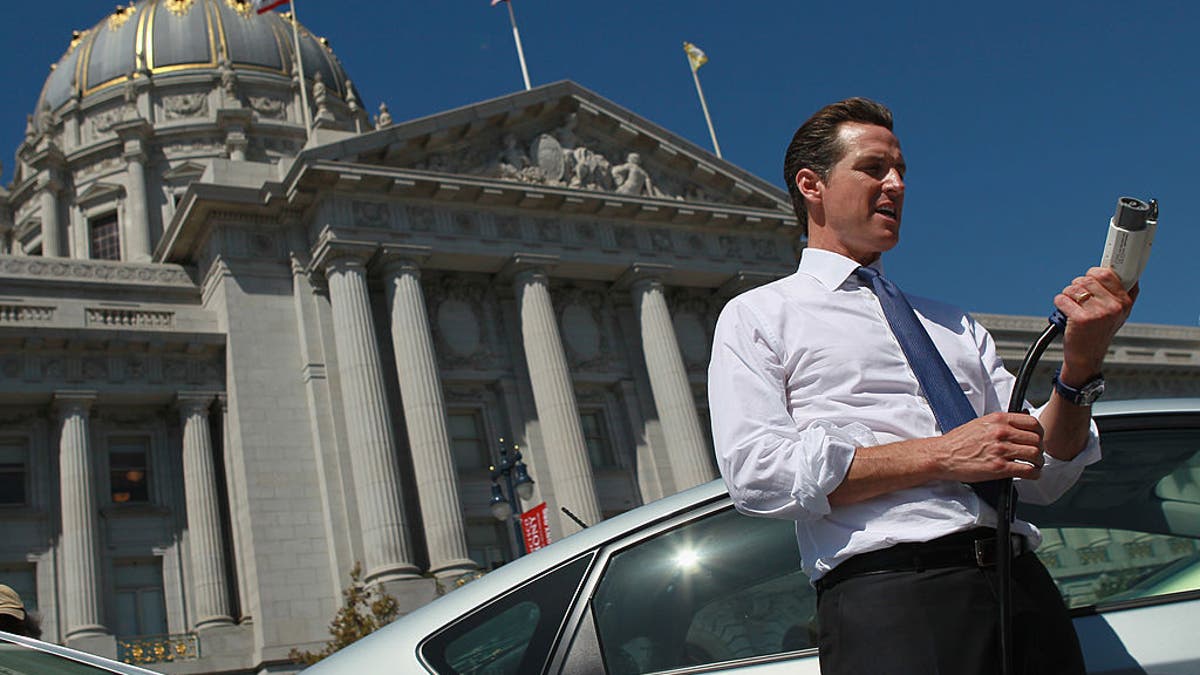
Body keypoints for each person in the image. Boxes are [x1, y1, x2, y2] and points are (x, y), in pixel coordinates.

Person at [708, 97, 1135, 675]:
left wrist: (1081, 365)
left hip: (1024, 593)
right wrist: (942, 455)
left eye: (902, 171)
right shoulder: (759, 315)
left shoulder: (954, 322)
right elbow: (758, 476)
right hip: (895, 605)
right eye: (874, 168)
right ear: (812, 185)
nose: (897, 184)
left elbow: (1044, 473)